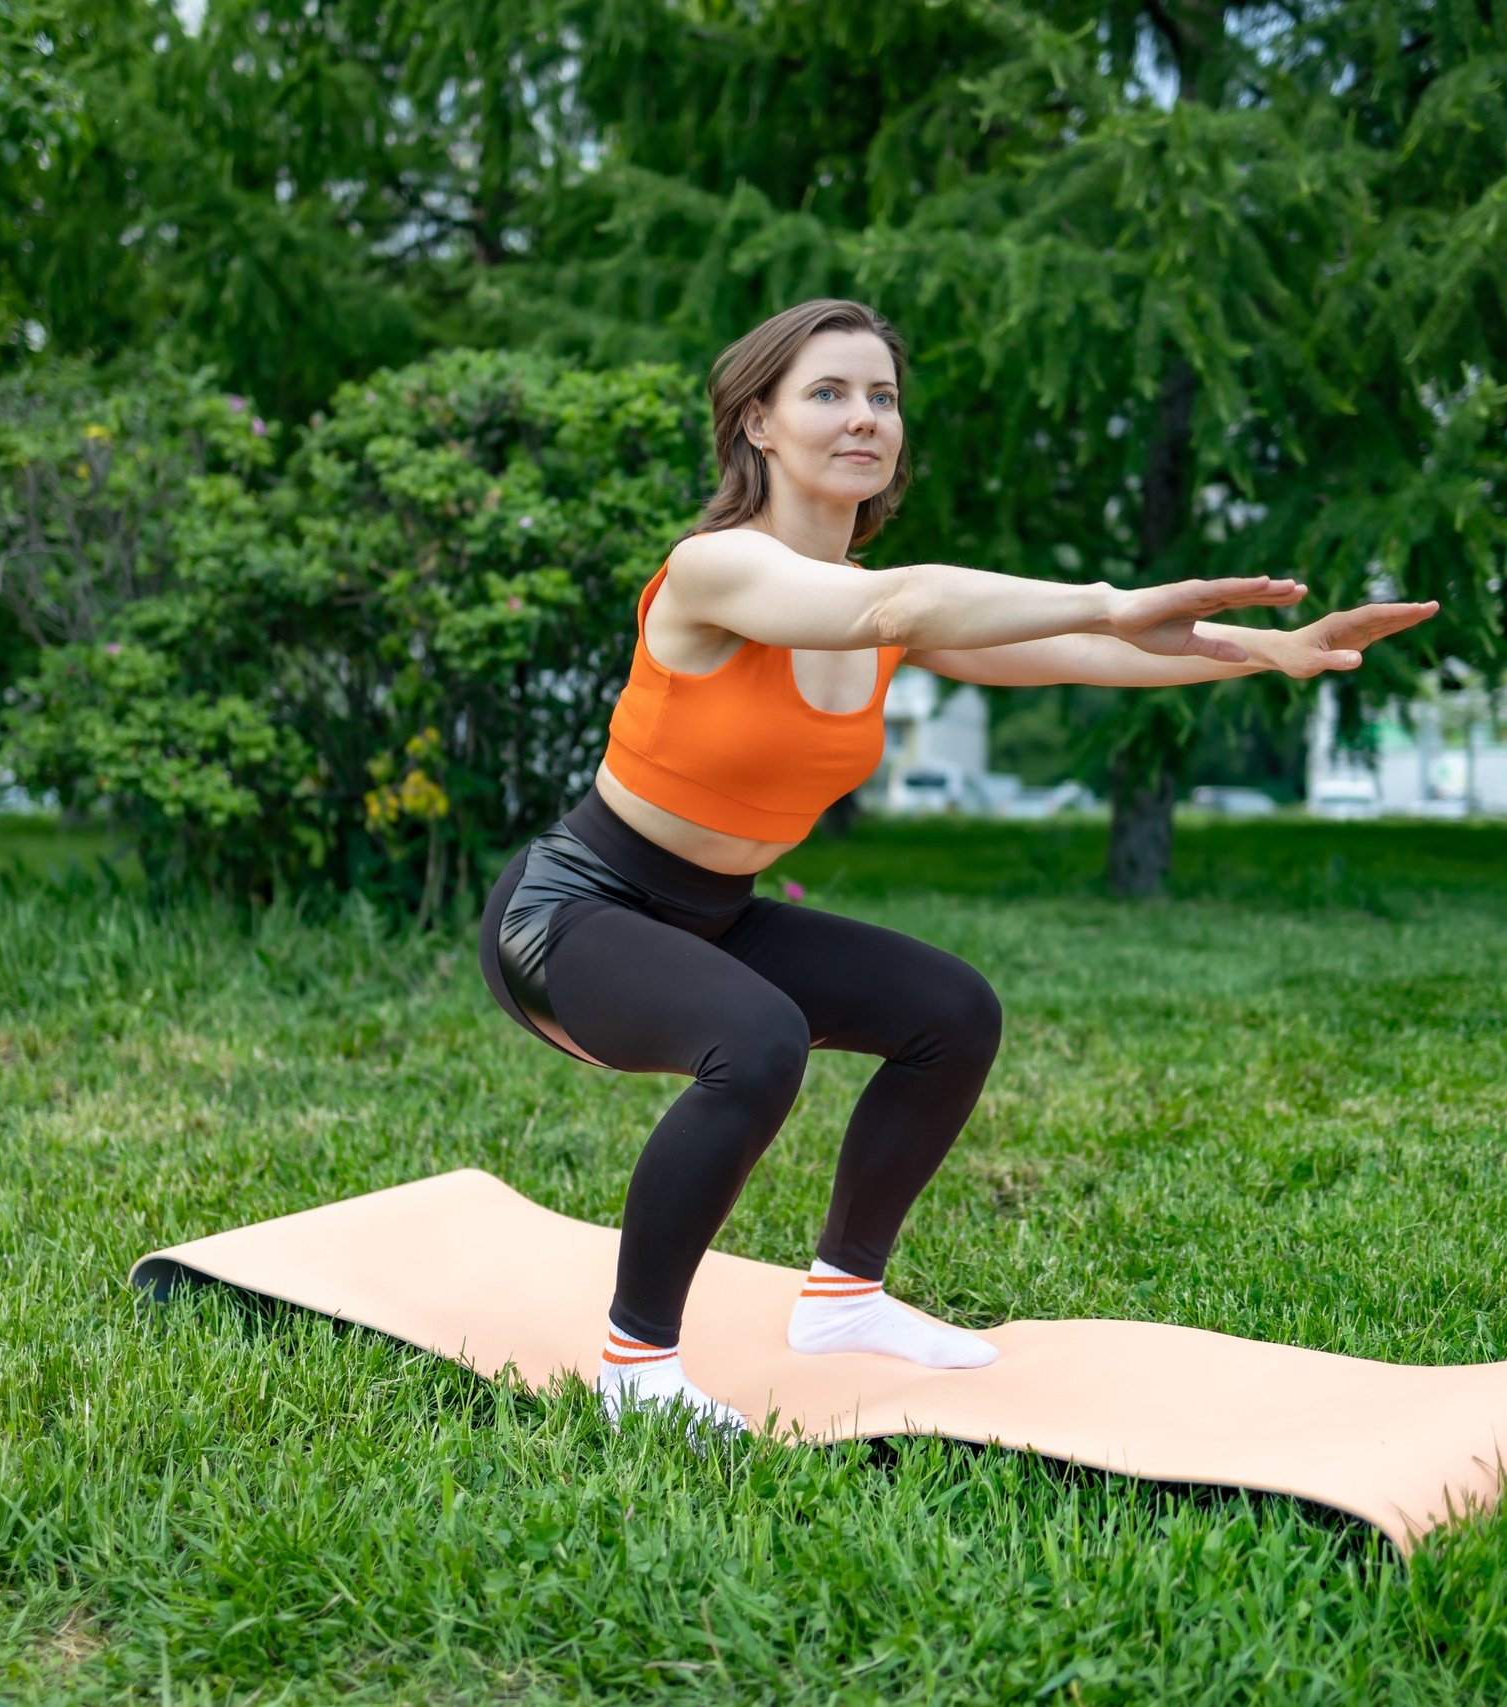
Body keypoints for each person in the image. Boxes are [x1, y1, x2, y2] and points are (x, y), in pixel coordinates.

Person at [478, 299, 1437, 1431]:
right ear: (756, 424)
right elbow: (905, 599)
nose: (864, 417)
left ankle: (844, 1297)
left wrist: (1273, 651)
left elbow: (1082, 654)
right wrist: (1115, 600)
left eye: (881, 397)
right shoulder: (715, 569)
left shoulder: (887, 615)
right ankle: (635, 1366)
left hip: (714, 915)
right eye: (827, 393)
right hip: (570, 915)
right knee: (758, 1039)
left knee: (951, 1011)